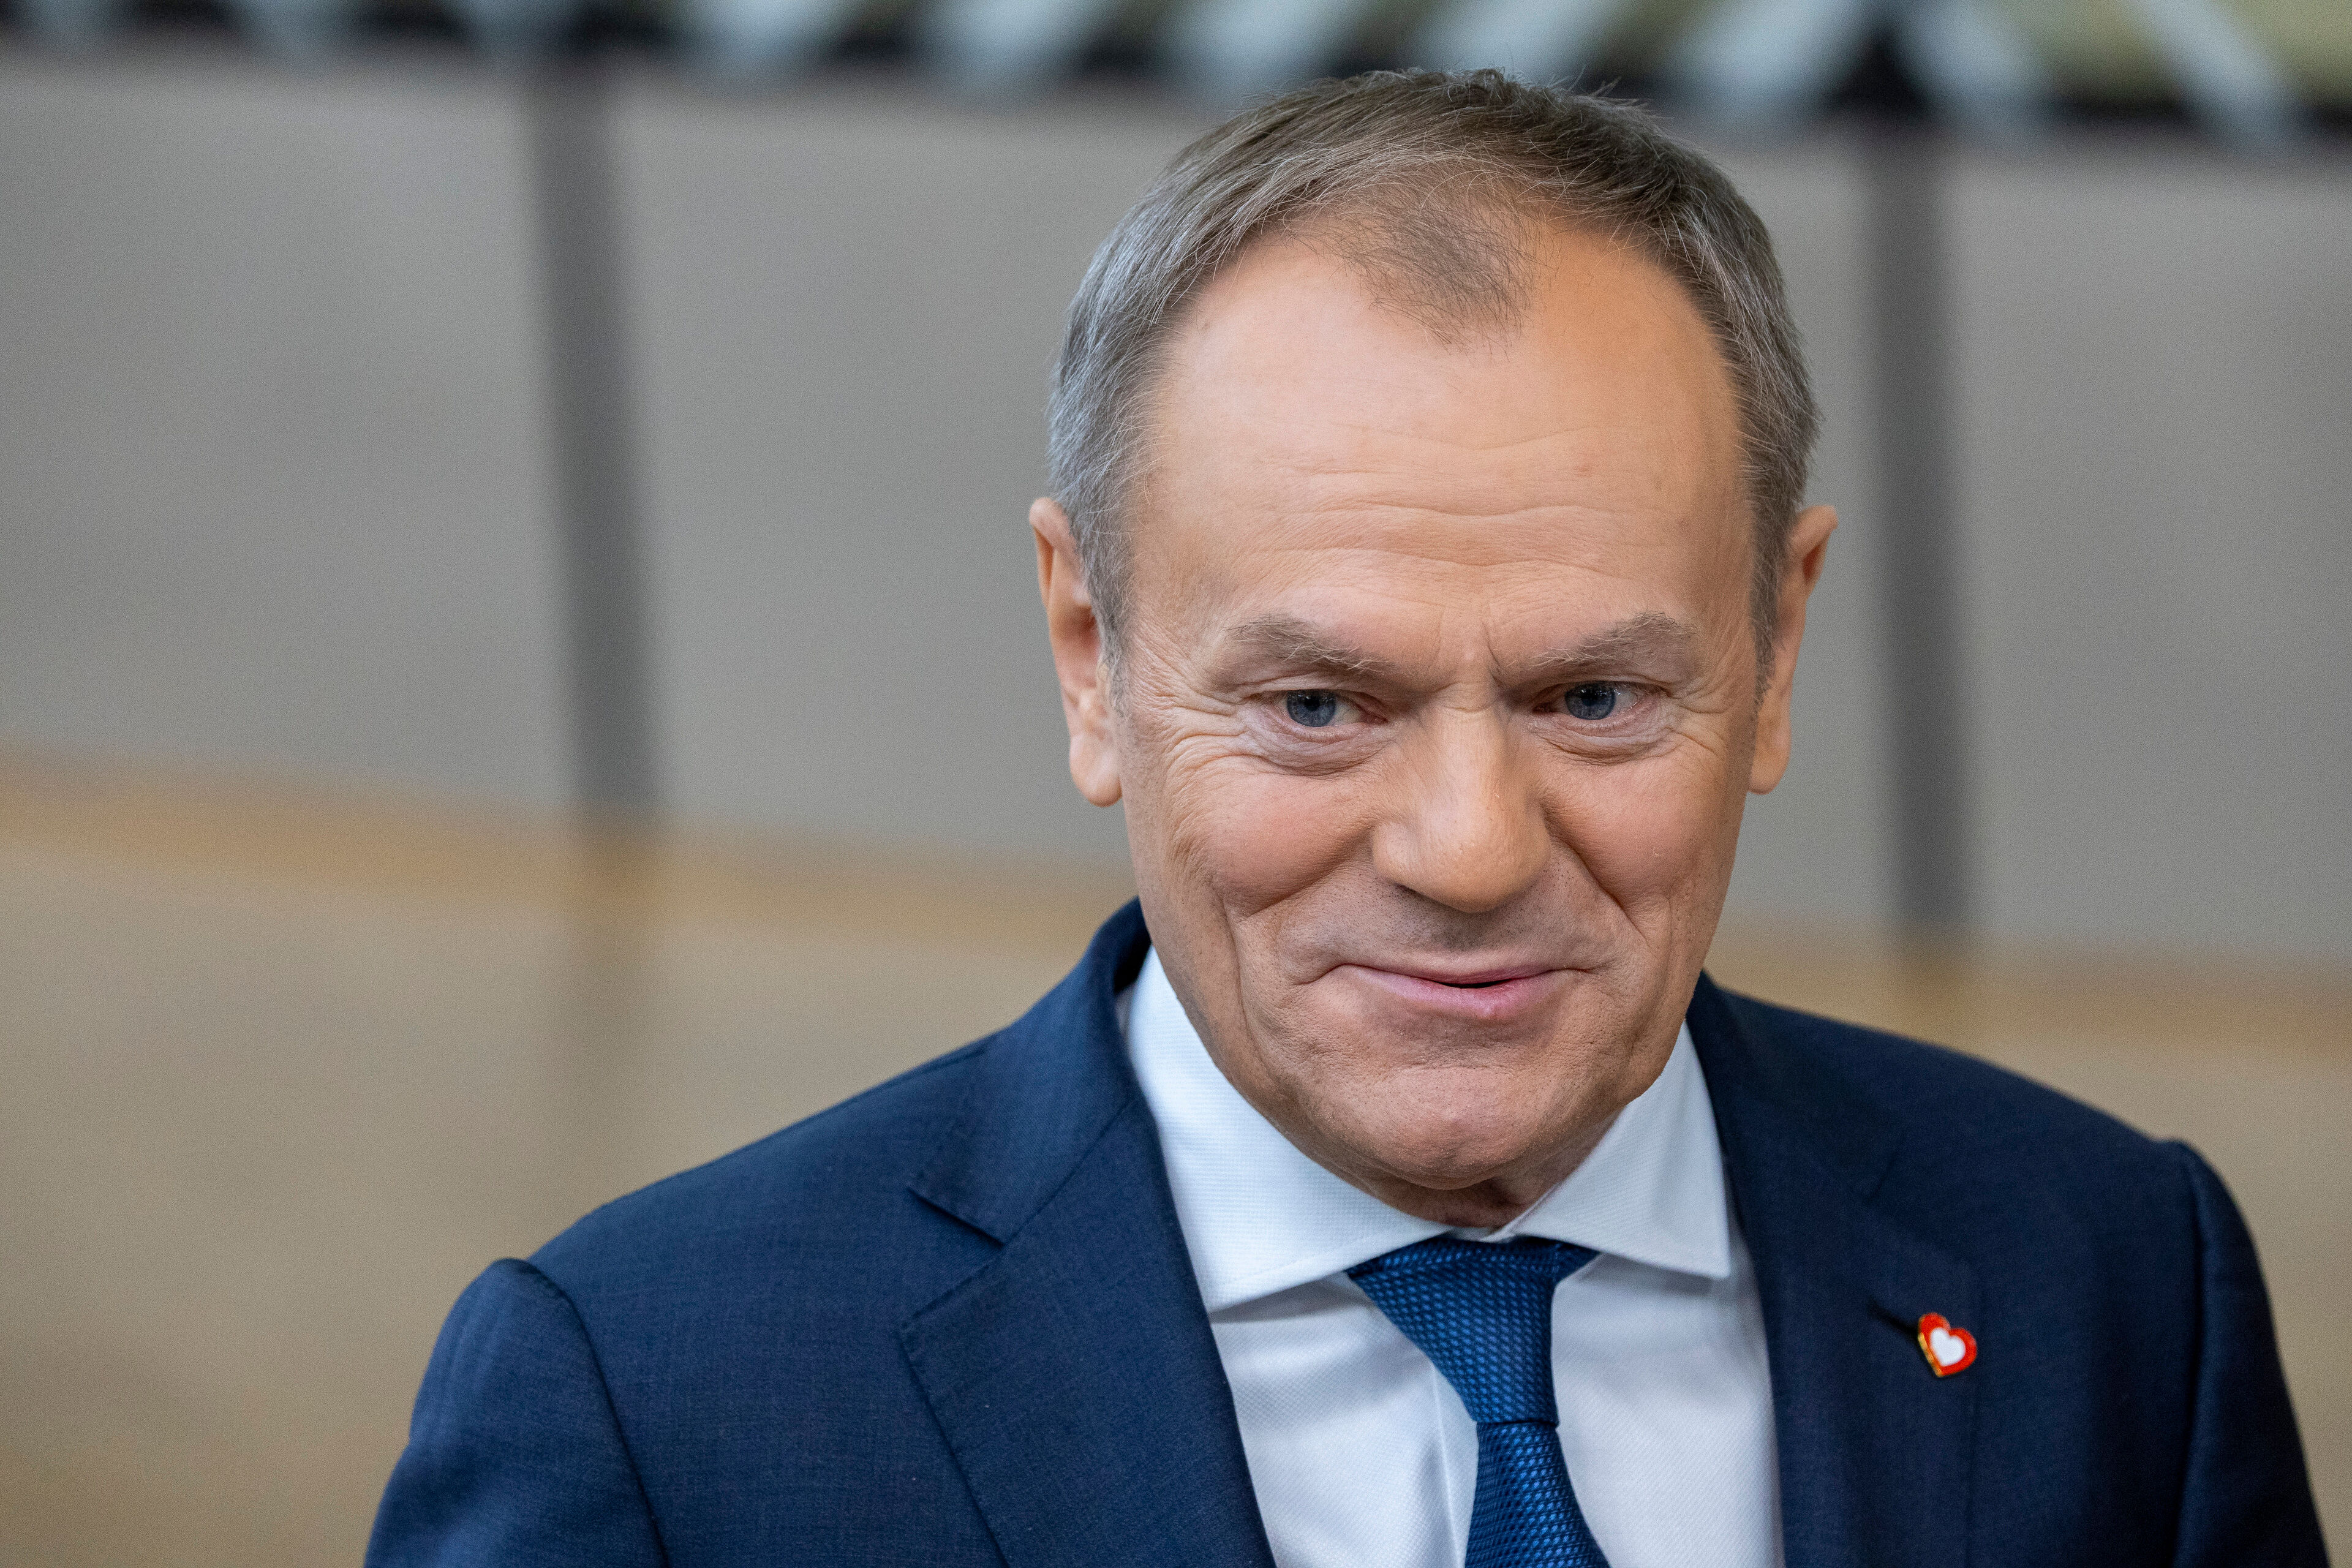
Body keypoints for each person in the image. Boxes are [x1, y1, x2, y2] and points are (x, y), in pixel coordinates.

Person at [367, 71, 2324, 1568]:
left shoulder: (2112, 1288)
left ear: (1777, 645)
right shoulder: (663, 1407)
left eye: (1593, 700)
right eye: (1318, 708)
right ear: (1089, 656)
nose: (1468, 853)